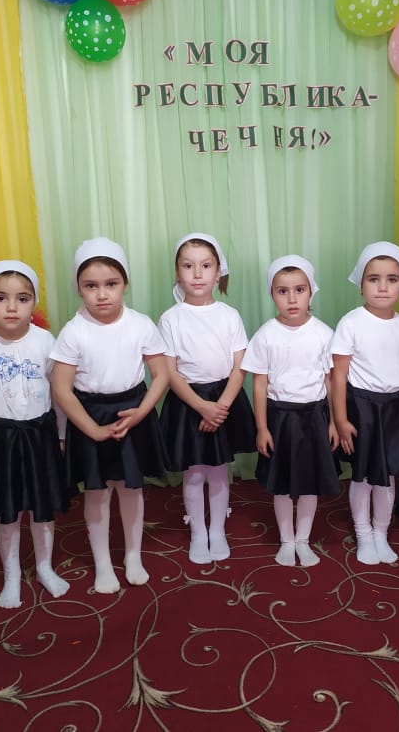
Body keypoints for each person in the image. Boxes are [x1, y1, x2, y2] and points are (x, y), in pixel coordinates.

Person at [50, 238, 169, 594]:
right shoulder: (73, 331)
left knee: (131, 489)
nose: (102, 294)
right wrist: (94, 430)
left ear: (125, 284)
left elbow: (161, 374)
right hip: (91, 417)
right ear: (78, 288)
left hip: (133, 412)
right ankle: (102, 563)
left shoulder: (140, 324)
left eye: (111, 284)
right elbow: (61, 389)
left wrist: (142, 412)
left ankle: (133, 555)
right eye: (91, 286)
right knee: (97, 492)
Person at [0, 261, 73, 609]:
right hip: (1, 440)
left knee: (43, 509)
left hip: (41, 436)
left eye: (22, 299)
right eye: (0, 298)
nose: (11, 307)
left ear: (33, 303)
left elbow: (59, 392)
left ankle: (44, 567)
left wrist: (61, 434)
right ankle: (11, 576)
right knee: (8, 513)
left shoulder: (45, 341)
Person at [158, 234, 255, 564]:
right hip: (188, 403)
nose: (197, 274)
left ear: (218, 272)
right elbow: (170, 371)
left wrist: (221, 407)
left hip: (224, 399)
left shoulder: (229, 315)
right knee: (195, 472)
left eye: (206, 266)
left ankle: (218, 530)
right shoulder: (171, 319)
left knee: (218, 470)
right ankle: (198, 531)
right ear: (177, 273)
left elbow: (240, 366)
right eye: (188, 266)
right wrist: (202, 406)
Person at [242, 255, 341, 567]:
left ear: (311, 291)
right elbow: (260, 384)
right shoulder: (265, 335)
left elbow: (331, 381)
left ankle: (303, 540)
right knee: (282, 484)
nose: (292, 298)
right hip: (280, 418)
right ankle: (286, 540)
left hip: (315, 417)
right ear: (272, 294)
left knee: (310, 482)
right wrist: (262, 427)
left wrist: (335, 422)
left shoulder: (324, 334)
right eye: (282, 291)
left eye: (299, 290)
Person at [331, 242, 399, 566]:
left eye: (391, 279)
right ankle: (363, 532)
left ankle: (381, 532)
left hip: (396, 411)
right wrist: (341, 419)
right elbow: (338, 375)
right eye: (374, 279)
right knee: (363, 476)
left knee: (388, 475)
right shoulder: (350, 323)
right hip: (362, 409)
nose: (383, 287)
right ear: (361, 284)